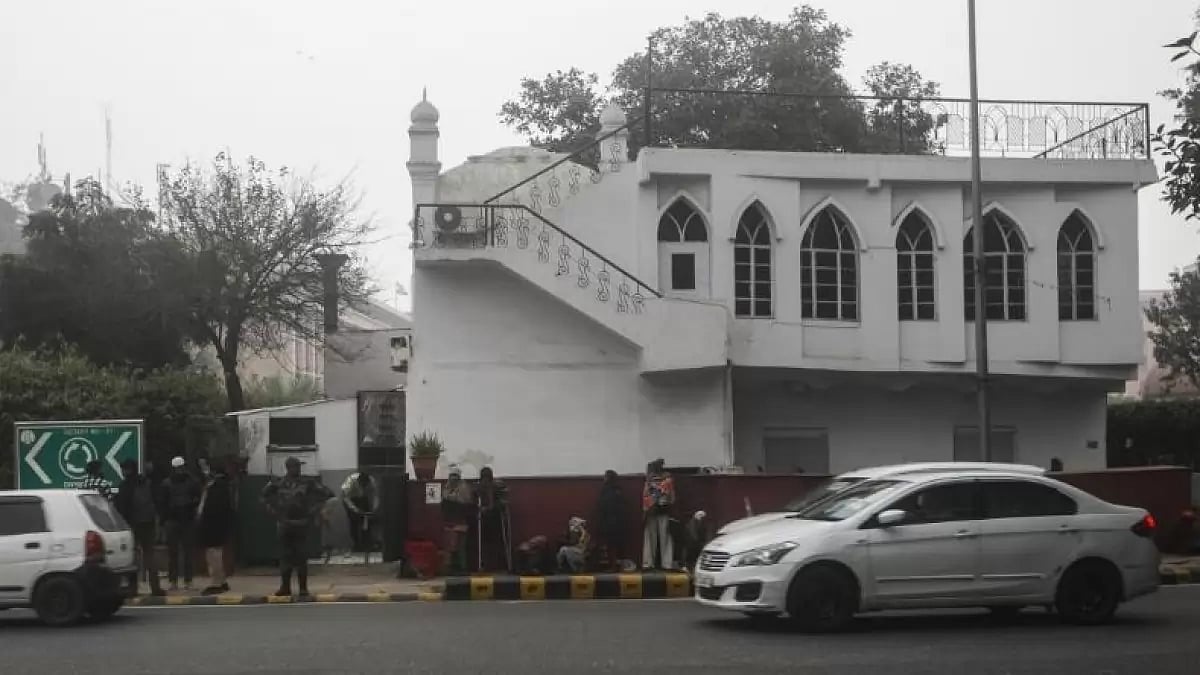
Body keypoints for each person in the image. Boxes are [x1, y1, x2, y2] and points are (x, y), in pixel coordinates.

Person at [261, 457, 332, 597]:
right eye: (295, 466)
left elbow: (327, 494)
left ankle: (303, 588)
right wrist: (272, 510)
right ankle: (285, 587)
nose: (297, 469)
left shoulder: (307, 483)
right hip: (284, 524)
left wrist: (315, 510)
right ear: (288, 467)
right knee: (285, 557)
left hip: (301, 523)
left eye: (298, 466)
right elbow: (263, 496)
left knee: (301, 557)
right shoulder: (278, 483)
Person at [114, 459, 165, 597]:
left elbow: (121, 508)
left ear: (126, 470)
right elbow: (157, 501)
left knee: (133, 557)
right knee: (150, 555)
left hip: (132, 525)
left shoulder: (125, 486)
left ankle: (133, 589)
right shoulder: (146, 483)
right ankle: (156, 588)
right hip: (148, 523)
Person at [162, 456, 202, 591]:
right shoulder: (168, 483)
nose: (179, 470)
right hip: (174, 521)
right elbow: (162, 502)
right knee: (174, 553)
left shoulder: (191, 482)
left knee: (187, 553)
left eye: (181, 467)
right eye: (178, 468)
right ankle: (174, 581)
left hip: (186, 520)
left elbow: (199, 497)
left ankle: (187, 581)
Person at [197, 460, 235, 595]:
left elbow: (214, 509)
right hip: (216, 525)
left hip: (213, 526)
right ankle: (222, 580)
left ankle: (216, 582)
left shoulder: (218, 486)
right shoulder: (219, 485)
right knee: (215, 553)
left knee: (213, 554)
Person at [642, 458, 676, 570]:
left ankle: (648, 563)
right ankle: (667, 564)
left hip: (651, 510)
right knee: (665, 538)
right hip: (664, 510)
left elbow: (645, 495)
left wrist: (645, 510)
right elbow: (672, 498)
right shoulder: (668, 479)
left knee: (650, 538)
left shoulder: (649, 479)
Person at [440, 465, 474, 575]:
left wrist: (453, 497)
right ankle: (451, 568)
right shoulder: (447, 487)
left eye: (455, 477)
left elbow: (465, 501)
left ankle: (462, 568)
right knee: (450, 547)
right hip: (449, 522)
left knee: (460, 547)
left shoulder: (464, 487)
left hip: (461, 522)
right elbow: (445, 498)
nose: (453, 479)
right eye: (452, 476)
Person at [476, 466, 510, 572]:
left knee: (496, 542)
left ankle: (501, 564)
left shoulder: (495, 486)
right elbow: (475, 501)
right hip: (486, 519)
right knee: (488, 543)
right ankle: (487, 565)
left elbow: (502, 500)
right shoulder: (480, 487)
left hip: (494, 518)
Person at [340, 471, 380, 553]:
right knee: (353, 523)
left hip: (362, 499)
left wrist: (374, 508)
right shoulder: (350, 481)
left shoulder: (371, 480)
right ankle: (356, 544)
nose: (364, 487)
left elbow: (376, 495)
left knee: (366, 521)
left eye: (365, 485)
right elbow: (345, 498)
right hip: (350, 499)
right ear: (358, 481)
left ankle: (366, 544)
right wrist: (355, 510)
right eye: (362, 485)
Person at [594, 470, 626, 570]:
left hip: (609, 521)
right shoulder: (618, 491)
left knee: (610, 544)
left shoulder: (607, 490)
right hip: (617, 521)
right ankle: (615, 565)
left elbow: (603, 506)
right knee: (615, 544)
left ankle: (612, 565)